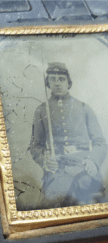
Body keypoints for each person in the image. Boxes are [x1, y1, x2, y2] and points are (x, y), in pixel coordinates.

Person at [30, 62, 107, 208]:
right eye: (53, 79)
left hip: (84, 165)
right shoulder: (41, 111)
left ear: (68, 82)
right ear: (48, 83)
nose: (57, 83)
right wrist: (45, 160)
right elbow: (35, 146)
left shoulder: (84, 108)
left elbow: (100, 142)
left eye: (61, 79)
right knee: (50, 205)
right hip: (57, 169)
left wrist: (93, 161)